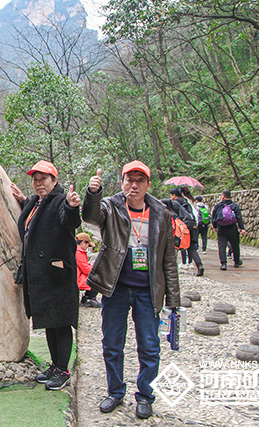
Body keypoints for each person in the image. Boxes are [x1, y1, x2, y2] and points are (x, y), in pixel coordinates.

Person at [82, 161, 180, 420]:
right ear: (122, 182)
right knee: (112, 344)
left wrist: (173, 299)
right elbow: (90, 216)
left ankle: (145, 396)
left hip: (148, 290)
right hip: (116, 288)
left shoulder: (161, 213)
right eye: (129, 180)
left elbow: (169, 259)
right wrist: (93, 193)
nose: (134, 185)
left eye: (140, 180)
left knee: (149, 346)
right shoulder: (111, 206)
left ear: (148, 184)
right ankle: (115, 392)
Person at [10, 160, 82, 391]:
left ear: (54, 180)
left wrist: (72, 206)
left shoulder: (60, 200)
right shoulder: (36, 202)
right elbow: (35, 220)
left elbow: (69, 220)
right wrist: (23, 200)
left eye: (44, 179)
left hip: (57, 272)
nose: (39, 183)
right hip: (41, 273)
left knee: (61, 322)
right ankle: (54, 365)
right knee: (49, 321)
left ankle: (63, 370)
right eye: (35, 179)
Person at [169, 188, 204, 276]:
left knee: (177, 246)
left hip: (181, 228)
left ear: (174, 195)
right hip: (191, 226)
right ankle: (199, 265)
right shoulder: (187, 202)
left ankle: (176, 267)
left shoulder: (174, 204)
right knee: (192, 248)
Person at [211, 190, 247, 271]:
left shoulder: (218, 206)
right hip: (232, 228)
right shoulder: (234, 206)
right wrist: (242, 228)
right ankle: (236, 262)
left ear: (223, 197)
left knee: (222, 246)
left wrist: (215, 226)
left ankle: (223, 264)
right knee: (235, 245)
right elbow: (239, 217)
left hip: (221, 228)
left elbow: (214, 217)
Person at [76, 232, 101, 308]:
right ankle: (90, 298)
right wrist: (93, 266)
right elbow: (86, 270)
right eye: (88, 245)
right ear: (83, 243)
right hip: (78, 278)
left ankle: (87, 297)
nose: (87, 247)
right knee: (97, 277)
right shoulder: (79, 253)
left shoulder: (76, 251)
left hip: (77, 276)